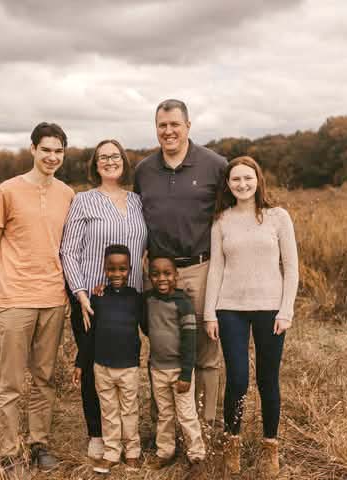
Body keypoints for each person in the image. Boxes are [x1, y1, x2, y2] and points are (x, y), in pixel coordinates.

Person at [0, 122, 75, 476]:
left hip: (53, 297)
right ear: (33, 149)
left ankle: (39, 443)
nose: (52, 157)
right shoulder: (6, 191)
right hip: (15, 298)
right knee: (11, 381)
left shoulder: (68, 194)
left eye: (59, 151)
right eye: (46, 149)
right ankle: (9, 451)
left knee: (45, 376)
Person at [203, 156, 299, 479]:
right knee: (238, 379)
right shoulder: (222, 220)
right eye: (235, 180)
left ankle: (270, 446)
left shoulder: (277, 217)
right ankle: (233, 443)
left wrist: (286, 309)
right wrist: (209, 313)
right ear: (228, 185)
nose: (242, 185)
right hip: (230, 309)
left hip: (270, 309)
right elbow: (215, 269)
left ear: (258, 179)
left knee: (268, 380)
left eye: (247, 178)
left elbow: (292, 267)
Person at [133, 99, 226, 427]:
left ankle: (206, 427)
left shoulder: (215, 165)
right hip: (159, 274)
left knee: (206, 351)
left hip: (200, 268)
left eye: (175, 124)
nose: (168, 131)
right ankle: (166, 429)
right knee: (162, 350)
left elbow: (230, 215)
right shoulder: (144, 170)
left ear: (188, 126)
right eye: (162, 125)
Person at [60, 139, 147, 459]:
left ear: (124, 161)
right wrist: (80, 294)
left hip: (129, 301)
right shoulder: (83, 201)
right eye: (103, 158)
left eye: (115, 156)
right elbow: (68, 250)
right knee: (94, 362)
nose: (110, 161)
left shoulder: (138, 201)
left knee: (125, 364)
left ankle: (129, 434)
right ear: (95, 165)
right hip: (93, 301)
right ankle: (97, 433)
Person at [73, 244, 144, 474]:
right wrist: (80, 363)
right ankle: (112, 452)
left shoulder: (136, 299)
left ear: (130, 269)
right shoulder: (98, 298)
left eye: (122, 269)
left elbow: (149, 326)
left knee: (129, 410)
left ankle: (133, 451)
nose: (116, 274)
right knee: (109, 411)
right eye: (111, 269)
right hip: (102, 366)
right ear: (104, 269)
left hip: (128, 367)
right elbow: (89, 335)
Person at [143, 256, 207, 480]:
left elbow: (190, 342)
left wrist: (186, 373)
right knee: (164, 414)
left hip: (180, 371)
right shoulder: (148, 300)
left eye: (167, 274)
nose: (161, 278)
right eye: (156, 274)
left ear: (176, 276)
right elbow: (145, 324)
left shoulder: (183, 304)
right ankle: (165, 451)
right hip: (157, 369)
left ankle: (196, 455)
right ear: (150, 277)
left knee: (187, 415)